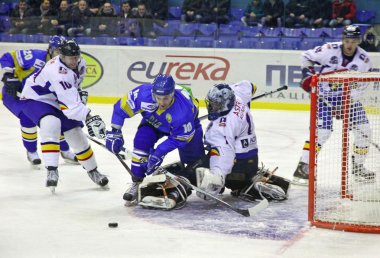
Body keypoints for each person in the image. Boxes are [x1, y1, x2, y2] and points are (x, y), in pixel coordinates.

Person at [20, 39, 109, 192]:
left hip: (56, 99)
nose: (74, 61)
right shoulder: (58, 73)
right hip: (35, 98)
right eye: (70, 58)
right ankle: (52, 170)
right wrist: (88, 116)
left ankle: (93, 171)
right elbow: (71, 106)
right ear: (62, 57)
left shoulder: (81, 64)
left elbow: (72, 90)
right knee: (50, 124)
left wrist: (77, 100)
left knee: (76, 134)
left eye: (76, 57)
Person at [105, 74, 205, 206]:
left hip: (185, 129)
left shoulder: (183, 112)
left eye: (166, 98)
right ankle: (137, 182)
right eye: (159, 98)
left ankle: (198, 179)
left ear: (173, 94)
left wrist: (158, 153)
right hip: (154, 122)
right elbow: (120, 109)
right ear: (153, 93)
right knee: (141, 141)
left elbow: (179, 138)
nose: (162, 102)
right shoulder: (142, 94)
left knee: (195, 164)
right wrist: (114, 132)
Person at [293, 25, 373, 186]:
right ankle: (303, 167)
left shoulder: (364, 60)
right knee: (322, 132)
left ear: (358, 41)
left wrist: (346, 104)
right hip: (323, 97)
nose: (349, 45)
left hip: (348, 101)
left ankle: (358, 167)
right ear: (343, 39)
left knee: (364, 131)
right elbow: (305, 56)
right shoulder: (329, 49)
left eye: (353, 41)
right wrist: (307, 74)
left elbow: (361, 87)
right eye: (347, 40)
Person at [194, 81, 290, 203]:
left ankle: (248, 186)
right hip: (250, 159)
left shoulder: (224, 125)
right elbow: (249, 85)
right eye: (212, 104)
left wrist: (216, 178)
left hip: (238, 166)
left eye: (217, 105)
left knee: (196, 169)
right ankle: (252, 178)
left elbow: (225, 153)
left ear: (226, 103)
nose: (213, 107)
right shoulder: (237, 94)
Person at [0, 35, 79, 168]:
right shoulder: (34, 57)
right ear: (49, 50)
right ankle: (31, 151)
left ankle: (65, 150)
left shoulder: (66, 67)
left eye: (62, 53)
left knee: (56, 118)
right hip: (16, 94)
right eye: (57, 51)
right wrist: (8, 75)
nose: (59, 55)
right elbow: (7, 56)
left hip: (41, 98)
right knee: (27, 117)